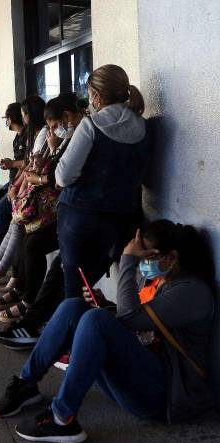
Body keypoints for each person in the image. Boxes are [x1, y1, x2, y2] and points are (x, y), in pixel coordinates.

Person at [0, 221, 216, 443]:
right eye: (141, 256)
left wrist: (128, 261)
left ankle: (61, 419)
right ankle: (26, 383)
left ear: (171, 257)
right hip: (141, 376)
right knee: (74, 307)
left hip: (165, 397)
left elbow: (131, 319)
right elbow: (138, 325)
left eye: (149, 256)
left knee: (96, 320)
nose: (144, 263)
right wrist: (106, 305)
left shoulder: (191, 292)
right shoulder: (159, 280)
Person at [0, 93, 85, 340]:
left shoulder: (84, 133)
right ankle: (19, 288)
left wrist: (39, 174)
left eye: (55, 125)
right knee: (27, 235)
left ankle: (31, 305)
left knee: (36, 244)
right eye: (51, 127)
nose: (53, 130)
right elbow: (50, 169)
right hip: (71, 212)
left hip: (77, 215)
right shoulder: (75, 135)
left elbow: (59, 177)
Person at [55, 64, 150, 299]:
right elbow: (141, 175)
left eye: (89, 94)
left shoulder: (91, 125)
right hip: (119, 220)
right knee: (88, 279)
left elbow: (64, 176)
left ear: (96, 96)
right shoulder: (143, 126)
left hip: (79, 215)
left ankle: (68, 332)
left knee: (72, 290)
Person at [0, 97, 47, 260]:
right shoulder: (32, 135)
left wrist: (17, 189)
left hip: (35, 187)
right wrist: (14, 186)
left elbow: (31, 167)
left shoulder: (42, 134)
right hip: (22, 183)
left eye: (24, 115)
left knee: (3, 213)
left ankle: (3, 264)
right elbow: (28, 166)